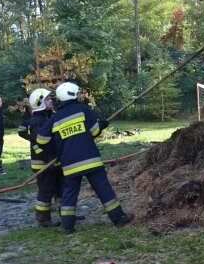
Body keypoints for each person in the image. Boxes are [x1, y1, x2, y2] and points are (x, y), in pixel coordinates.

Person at [36, 82, 133, 234]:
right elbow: (94, 132)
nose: (80, 95)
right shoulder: (83, 110)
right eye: (78, 93)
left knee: (70, 193)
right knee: (103, 189)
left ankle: (67, 226)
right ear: (72, 95)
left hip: (69, 165)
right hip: (90, 160)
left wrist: (53, 151)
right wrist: (102, 124)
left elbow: (41, 139)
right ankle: (118, 218)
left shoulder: (55, 119)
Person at [18, 88, 62, 227]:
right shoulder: (38, 121)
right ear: (40, 103)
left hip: (55, 161)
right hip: (44, 164)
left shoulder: (51, 116)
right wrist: (47, 156)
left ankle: (66, 214)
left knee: (61, 189)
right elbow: (36, 143)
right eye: (48, 99)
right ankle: (43, 220)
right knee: (46, 192)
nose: (51, 100)